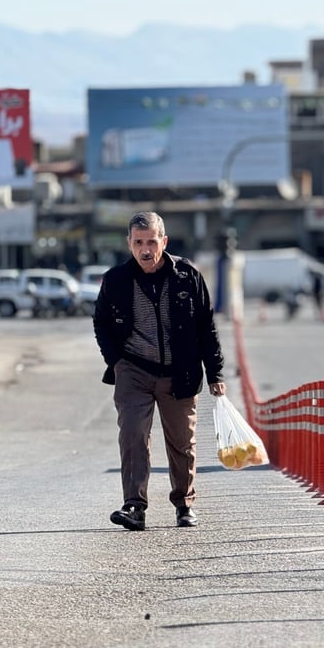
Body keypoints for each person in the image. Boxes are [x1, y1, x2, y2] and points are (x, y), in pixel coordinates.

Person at [93, 211, 226, 532]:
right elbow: (101, 323)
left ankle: (184, 503)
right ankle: (134, 506)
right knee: (133, 435)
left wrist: (216, 373)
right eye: (138, 242)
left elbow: (206, 326)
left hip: (179, 371)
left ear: (163, 242)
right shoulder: (116, 280)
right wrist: (117, 362)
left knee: (182, 442)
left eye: (151, 241)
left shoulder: (187, 275)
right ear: (129, 244)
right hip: (134, 371)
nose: (145, 249)